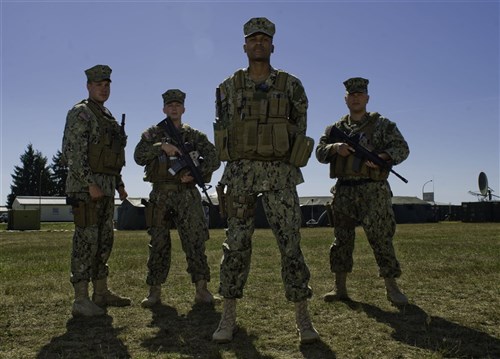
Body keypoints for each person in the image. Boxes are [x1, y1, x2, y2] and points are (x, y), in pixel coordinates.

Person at [212, 17, 319, 344]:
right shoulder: (227, 87)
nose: (258, 43)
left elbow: (300, 129)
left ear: (272, 45)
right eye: (252, 39)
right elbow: (223, 129)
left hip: (280, 176)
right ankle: (227, 316)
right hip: (241, 176)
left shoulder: (291, 85)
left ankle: (303, 317)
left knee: (291, 245)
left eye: (264, 39)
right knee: (236, 246)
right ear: (245, 46)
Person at [315, 77, 410, 306]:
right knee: (341, 240)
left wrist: (383, 159)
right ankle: (339, 288)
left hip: (373, 190)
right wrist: (335, 148)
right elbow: (319, 152)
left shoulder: (383, 125)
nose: (356, 98)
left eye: (360, 94)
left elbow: (402, 148)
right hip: (344, 191)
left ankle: (392, 288)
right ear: (346, 99)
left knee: (381, 238)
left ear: (367, 98)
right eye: (352, 95)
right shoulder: (335, 129)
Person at [134, 89, 220, 307]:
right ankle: (154, 292)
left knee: (195, 240)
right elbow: (138, 156)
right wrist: (161, 147)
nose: (173, 108)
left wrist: (196, 173)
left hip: (188, 194)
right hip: (161, 192)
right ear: (164, 108)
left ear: (183, 109)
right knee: (159, 242)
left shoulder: (194, 135)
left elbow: (214, 157)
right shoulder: (153, 133)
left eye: (177, 105)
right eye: (170, 105)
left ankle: (202, 289)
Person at [62, 64, 131, 317]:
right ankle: (80, 299)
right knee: (85, 242)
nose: (104, 88)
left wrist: (120, 185)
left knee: (104, 242)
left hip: (106, 189)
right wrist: (89, 183)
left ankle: (100, 293)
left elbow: (113, 156)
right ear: (88, 86)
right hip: (86, 190)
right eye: (99, 84)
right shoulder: (81, 113)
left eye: (107, 84)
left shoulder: (107, 116)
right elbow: (73, 153)